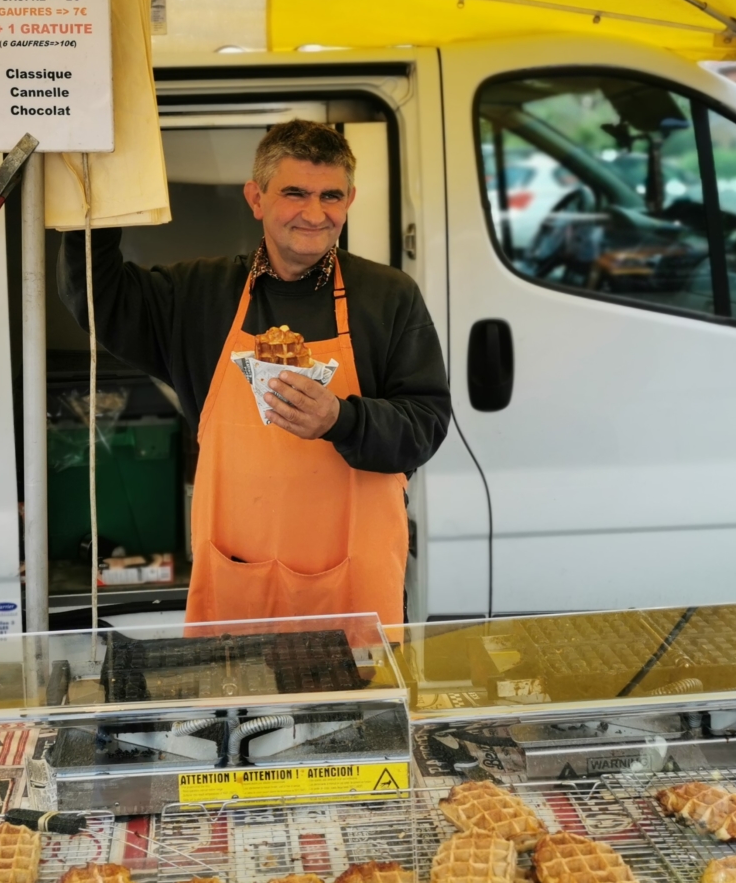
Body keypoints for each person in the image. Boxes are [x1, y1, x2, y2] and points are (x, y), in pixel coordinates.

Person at [58, 119, 450, 626]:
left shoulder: (389, 296)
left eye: (331, 195)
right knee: (246, 701)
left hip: (353, 583)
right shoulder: (199, 294)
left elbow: (426, 426)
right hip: (239, 572)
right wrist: (93, 178)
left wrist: (343, 421)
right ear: (256, 197)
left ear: (350, 200)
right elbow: (99, 297)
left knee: (355, 704)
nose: (314, 213)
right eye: (294, 193)